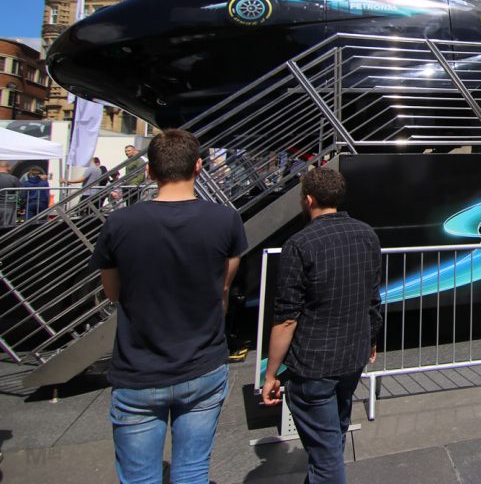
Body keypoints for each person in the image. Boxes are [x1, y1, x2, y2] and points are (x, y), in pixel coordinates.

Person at [89, 129, 246, 483]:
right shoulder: (226, 220)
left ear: (149, 171)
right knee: (192, 471)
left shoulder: (119, 223)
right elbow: (223, 285)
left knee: (140, 476)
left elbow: (113, 294)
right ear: (199, 167)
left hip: (139, 367)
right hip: (203, 362)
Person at [261, 167, 382, 484]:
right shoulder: (367, 234)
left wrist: (271, 372)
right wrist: (371, 338)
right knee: (333, 434)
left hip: (314, 363)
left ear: (309, 199)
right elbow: (372, 297)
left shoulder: (299, 244)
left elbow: (287, 318)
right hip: (352, 356)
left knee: (327, 456)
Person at [0, 162, 20, 228]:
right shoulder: (13, 179)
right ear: (8, 167)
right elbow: (23, 193)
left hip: (7, 206)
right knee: (7, 228)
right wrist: (20, 205)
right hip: (9, 207)